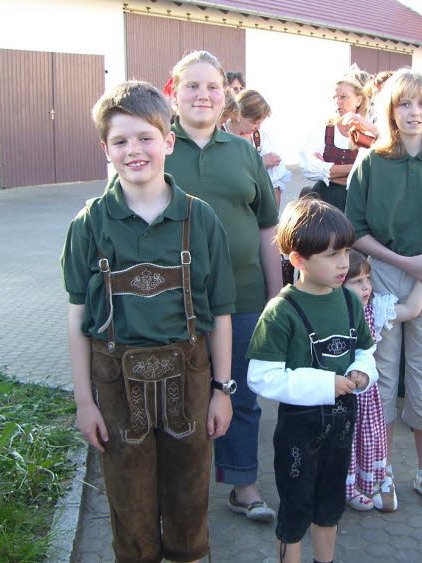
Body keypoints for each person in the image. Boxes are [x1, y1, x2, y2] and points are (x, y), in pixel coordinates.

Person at [64, 81, 236, 563]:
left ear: (168, 141)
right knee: (129, 505)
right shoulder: (90, 224)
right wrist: (84, 402)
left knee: (188, 500)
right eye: (120, 141)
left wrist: (223, 390)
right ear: (105, 149)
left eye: (144, 137)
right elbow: (77, 318)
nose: (133, 150)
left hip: (191, 378)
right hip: (115, 385)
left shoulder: (201, 221)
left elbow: (221, 315)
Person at [164, 50, 281, 523]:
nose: (203, 95)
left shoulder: (244, 151)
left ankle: (243, 484)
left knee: (242, 394)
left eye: (212, 86)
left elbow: (267, 230)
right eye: (192, 86)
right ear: (173, 91)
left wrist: (277, 298)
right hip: (174, 302)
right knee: (180, 395)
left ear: (226, 94)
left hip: (246, 298)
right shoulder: (158, 146)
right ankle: (180, 490)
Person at [346, 68, 422, 514]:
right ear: (390, 111)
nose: (414, 113)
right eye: (404, 104)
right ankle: (380, 470)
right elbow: (355, 230)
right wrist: (404, 265)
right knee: (379, 377)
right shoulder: (371, 163)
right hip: (382, 274)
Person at [247, 197, 377, 563]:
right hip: (298, 434)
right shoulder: (280, 312)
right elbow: (262, 377)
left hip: (342, 427)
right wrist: (324, 385)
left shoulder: (350, 302)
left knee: (330, 508)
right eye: (332, 254)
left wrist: (363, 371)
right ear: (298, 260)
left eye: (347, 251)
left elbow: (365, 350)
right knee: (296, 511)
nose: (344, 263)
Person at [342, 250, 422, 512]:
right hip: (334, 392)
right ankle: (331, 489)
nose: (367, 287)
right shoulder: (328, 311)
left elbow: (411, 309)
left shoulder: (375, 311)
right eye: (357, 281)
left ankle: (354, 489)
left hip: (363, 397)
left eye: (368, 279)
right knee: (337, 445)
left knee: (359, 444)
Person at [300, 71, 373, 211]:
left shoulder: (368, 133)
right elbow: (308, 168)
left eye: (343, 97)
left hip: (357, 203)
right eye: (336, 97)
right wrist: (355, 170)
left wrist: (327, 171)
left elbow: (372, 174)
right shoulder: (323, 130)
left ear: (358, 100)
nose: (338, 102)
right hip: (324, 200)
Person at [221, 89, 292, 208]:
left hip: (257, 204)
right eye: (254, 122)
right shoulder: (220, 133)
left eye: (260, 122)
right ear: (239, 115)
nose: (258, 127)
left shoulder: (260, 137)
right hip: (229, 204)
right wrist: (261, 162)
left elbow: (275, 182)